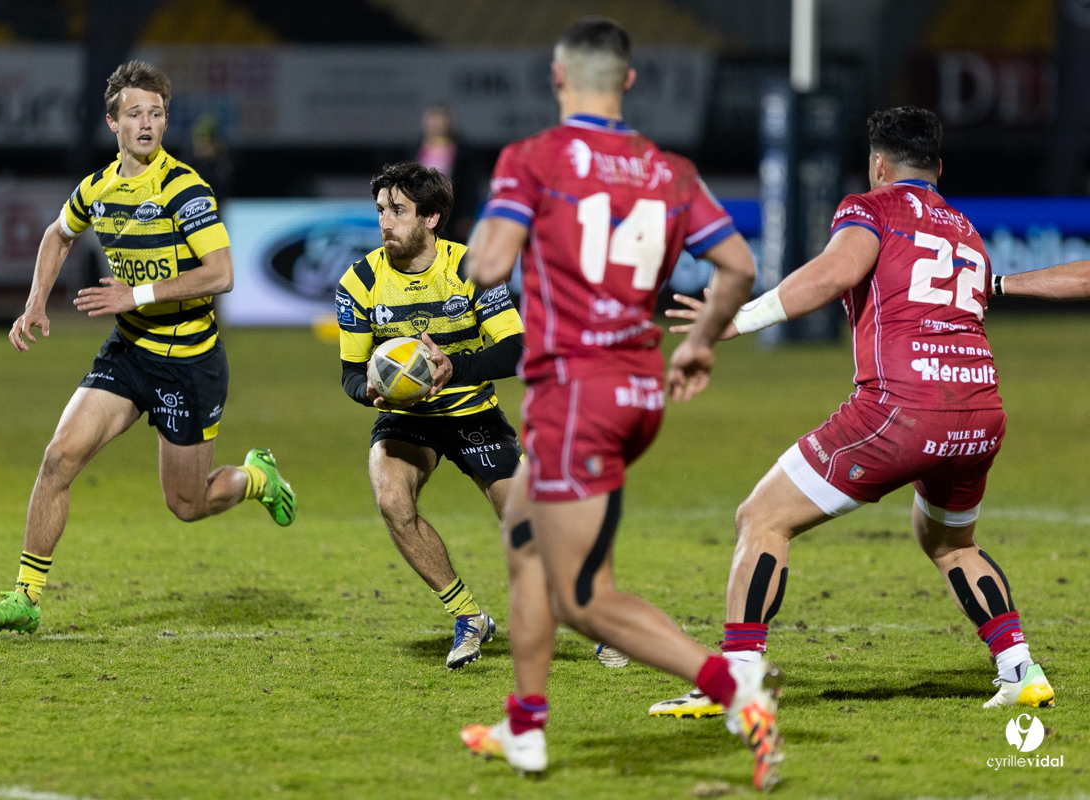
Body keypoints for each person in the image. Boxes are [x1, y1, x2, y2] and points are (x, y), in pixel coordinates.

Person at [457, 18, 785, 790]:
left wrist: (487, 237)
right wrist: (701, 339)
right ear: (629, 82)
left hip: (575, 393)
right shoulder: (667, 170)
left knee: (582, 598)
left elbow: (487, 264)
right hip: (637, 388)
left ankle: (734, 690)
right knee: (523, 543)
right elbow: (737, 264)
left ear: (557, 76)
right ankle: (527, 729)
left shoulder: (533, 160)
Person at [652, 106, 1056, 718]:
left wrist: (734, 319)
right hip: (980, 410)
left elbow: (831, 274)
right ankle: (1020, 667)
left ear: (877, 165)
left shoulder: (872, 206)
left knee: (761, 516)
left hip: (903, 409)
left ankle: (737, 677)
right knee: (948, 540)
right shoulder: (966, 230)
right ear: (938, 168)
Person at [0, 61, 296, 635]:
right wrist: (35, 301)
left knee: (187, 504)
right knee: (58, 457)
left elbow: (221, 273)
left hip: (190, 363)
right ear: (113, 122)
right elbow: (57, 234)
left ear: (166, 121)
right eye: (135, 113)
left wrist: (136, 293)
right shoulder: (98, 188)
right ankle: (26, 596)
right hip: (130, 353)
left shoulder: (184, 187)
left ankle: (258, 479)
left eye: (157, 113)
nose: (147, 123)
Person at [336, 162, 525, 670]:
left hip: (471, 410)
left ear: (433, 218)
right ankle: (468, 615)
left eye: (398, 210)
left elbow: (516, 350)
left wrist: (451, 368)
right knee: (392, 497)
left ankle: (593, 617)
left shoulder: (472, 269)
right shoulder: (359, 283)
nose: (386, 222)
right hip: (406, 416)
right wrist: (371, 393)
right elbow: (351, 374)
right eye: (380, 210)